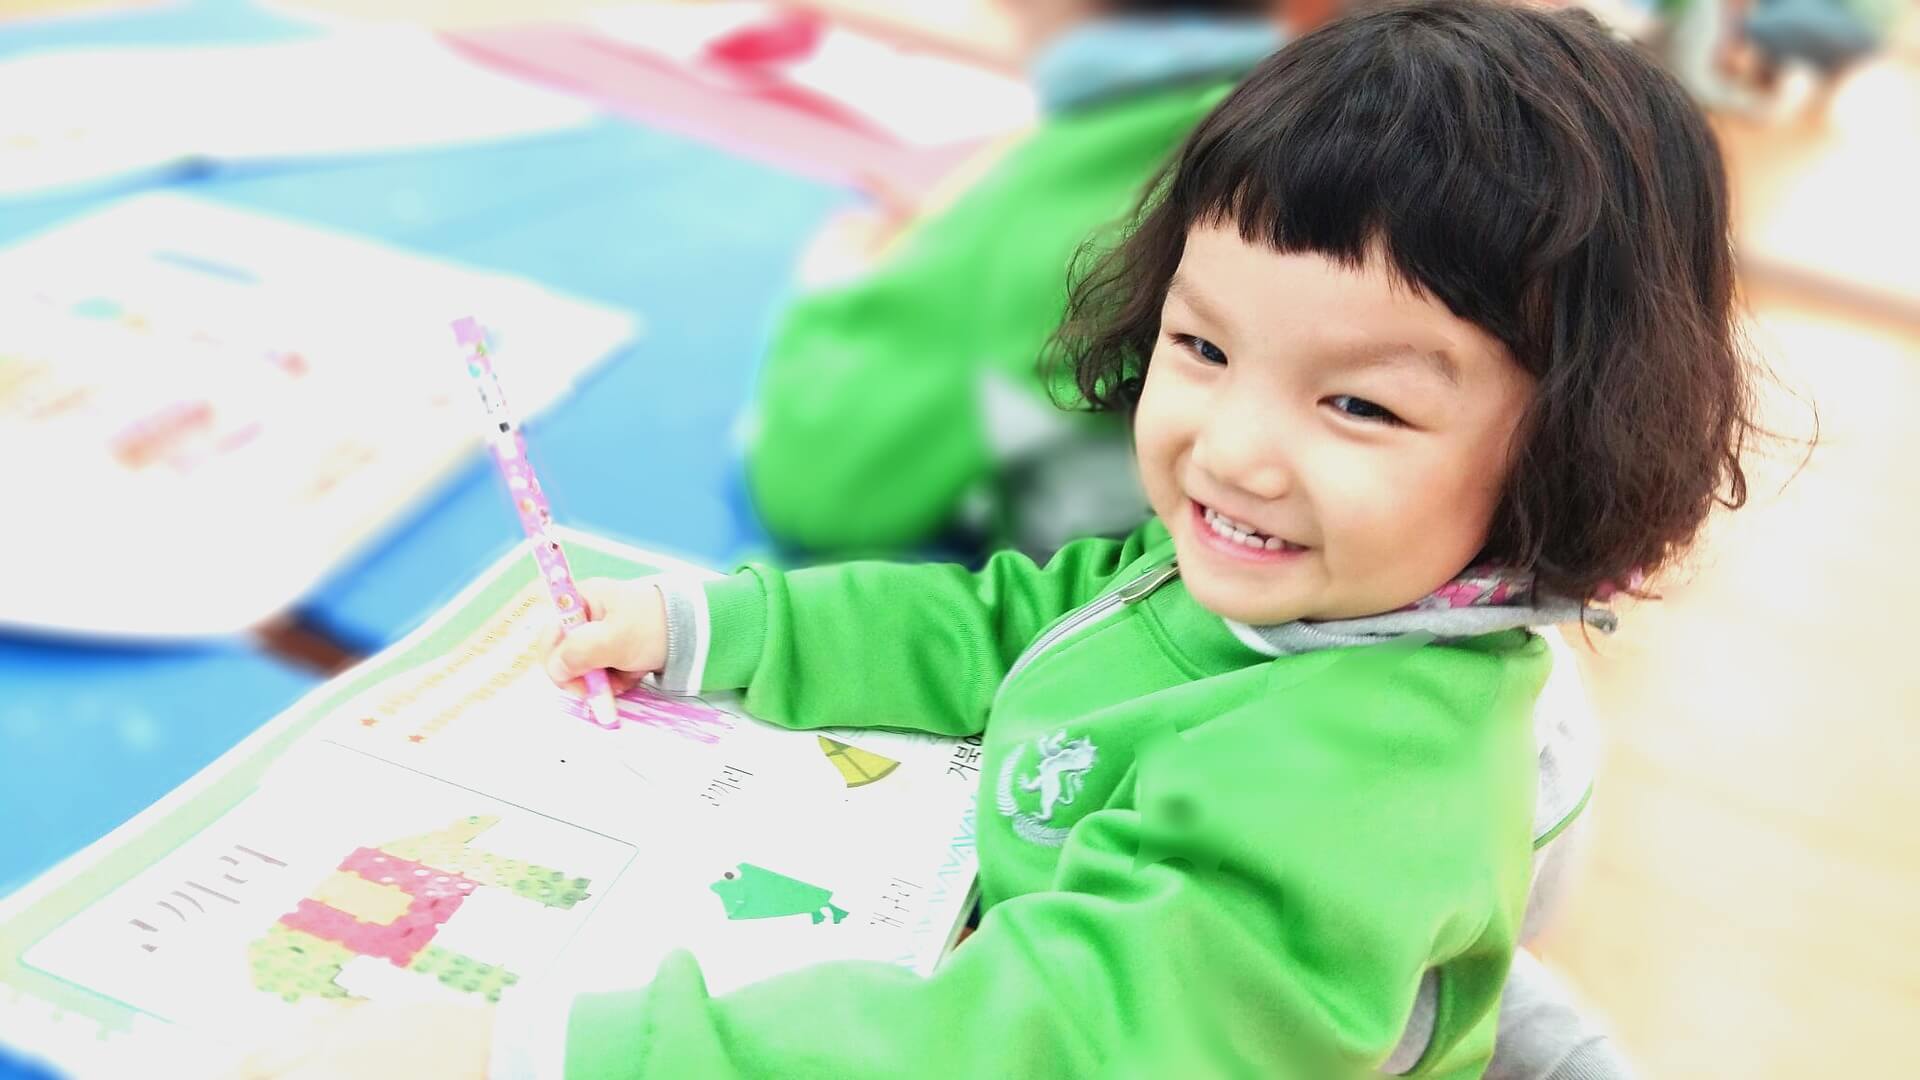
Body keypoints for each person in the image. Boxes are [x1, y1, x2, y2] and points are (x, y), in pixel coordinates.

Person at [237, 2, 1752, 1075]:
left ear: (1569, 441)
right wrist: (724, 631)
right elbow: (1012, 620)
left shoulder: (1355, 767)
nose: (1230, 448)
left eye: (1356, 404)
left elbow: (1050, 1046)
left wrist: (556, 1052)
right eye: (1203, 347)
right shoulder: (1273, 582)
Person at [745, 0, 1285, 561]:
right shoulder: (1262, 109)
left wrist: (836, 287)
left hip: (1066, 578)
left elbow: (812, 496)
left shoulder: (1048, 200)